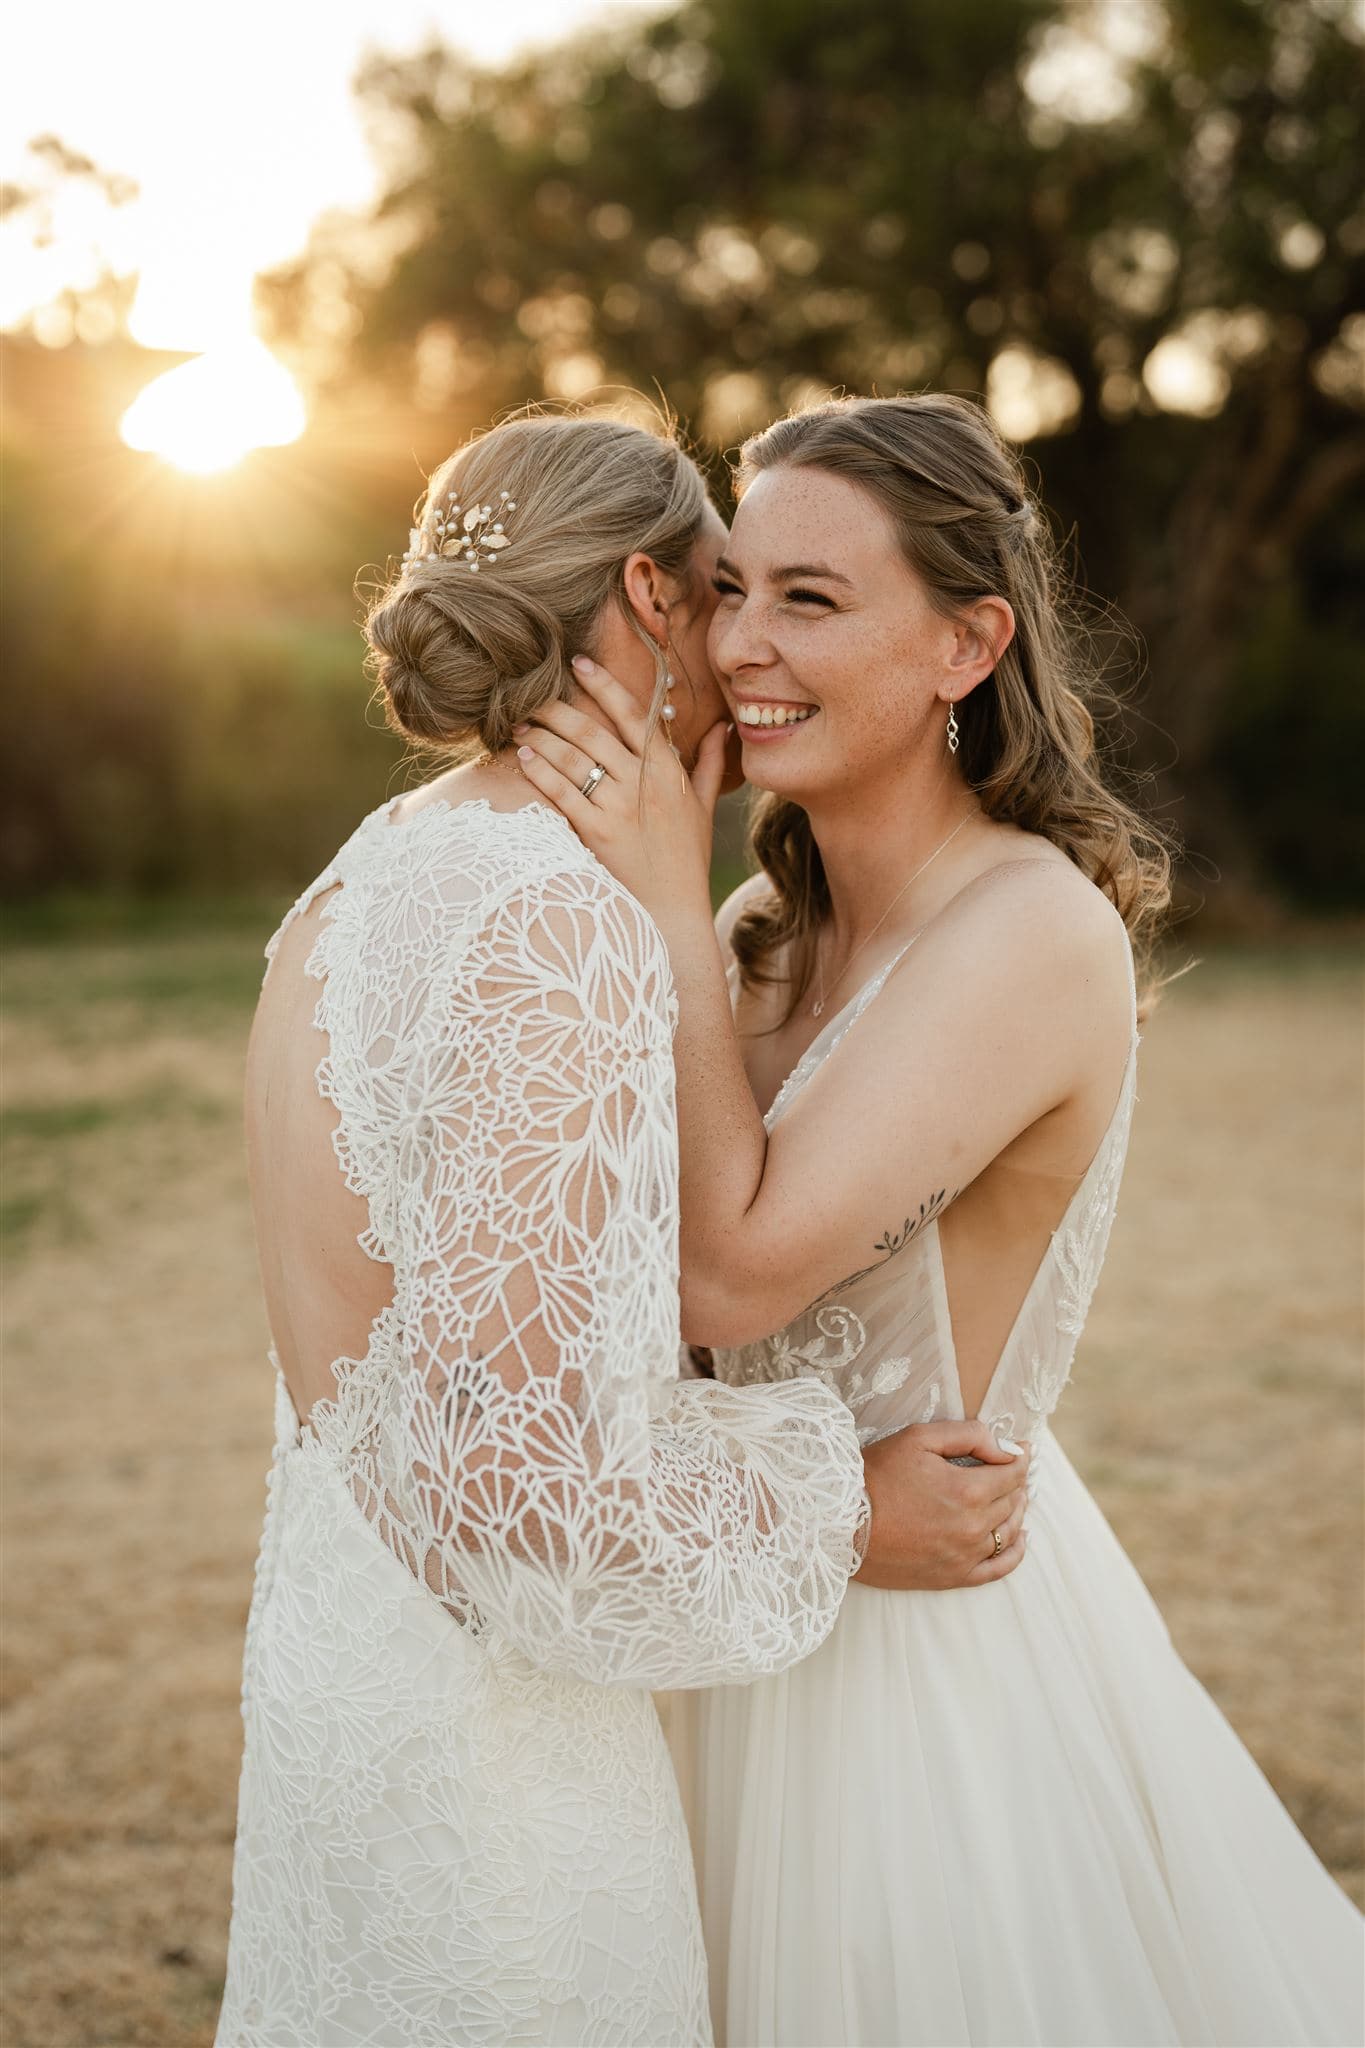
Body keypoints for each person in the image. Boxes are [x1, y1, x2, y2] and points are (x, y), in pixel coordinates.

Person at [511, 393, 1365, 2048]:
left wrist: (655, 902)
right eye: (732, 587)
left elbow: (730, 1268)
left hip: (907, 1687)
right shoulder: (771, 922)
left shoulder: (1032, 932)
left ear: (967, 644)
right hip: (737, 1616)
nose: (742, 644)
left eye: (811, 601)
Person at [214, 407, 1032, 2048]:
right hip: (496, 1750)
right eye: (723, 588)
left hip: (340, 1666)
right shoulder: (560, 926)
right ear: (653, 603)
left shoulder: (370, 871)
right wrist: (843, 1506)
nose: (740, 647)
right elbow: (532, 1491)